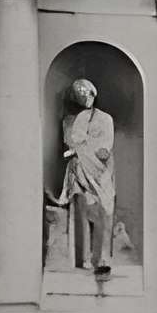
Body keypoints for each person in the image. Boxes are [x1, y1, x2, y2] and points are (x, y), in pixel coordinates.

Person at [56, 78, 117, 272]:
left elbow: (105, 146)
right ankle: (82, 259)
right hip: (81, 169)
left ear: (94, 93)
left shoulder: (105, 118)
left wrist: (86, 147)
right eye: (79, 94)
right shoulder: (73, 120)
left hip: (101, 170)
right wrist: (80, 149)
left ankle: (102, 259)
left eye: (87, 93)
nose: (84, 97)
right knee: (82, 210)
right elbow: (74, 141)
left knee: (104, 212)